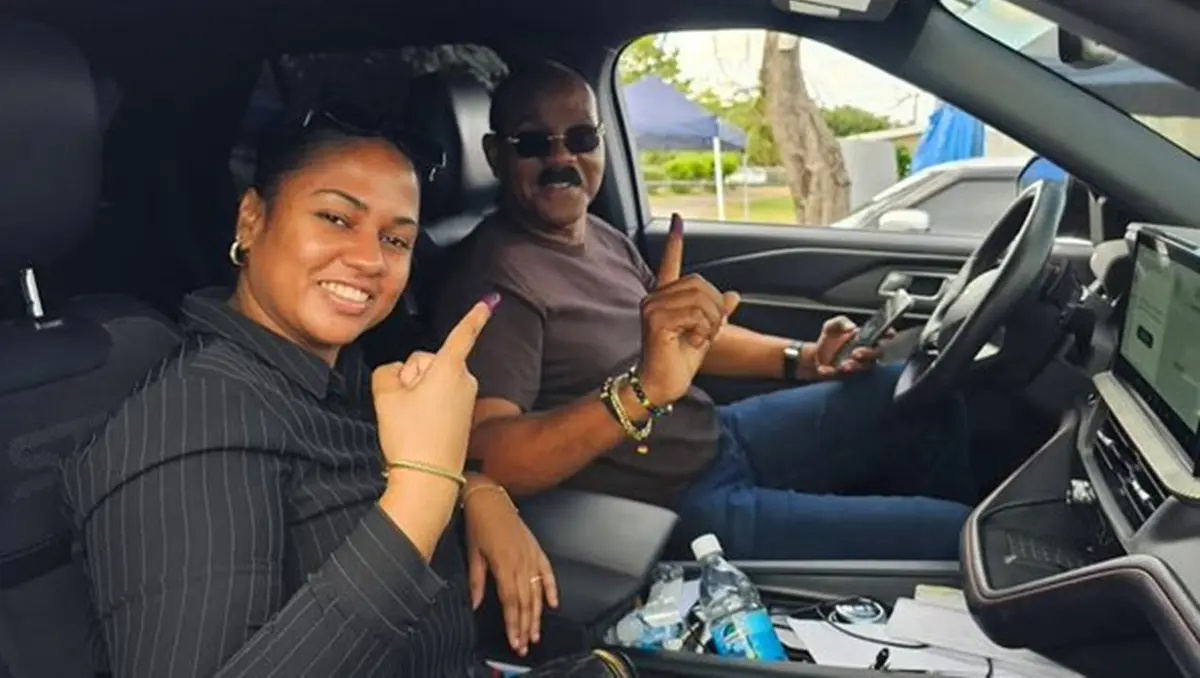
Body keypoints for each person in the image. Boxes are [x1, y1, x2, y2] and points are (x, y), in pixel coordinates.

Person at [61, 105, 559, 678]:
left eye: (397, 241)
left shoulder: (338, 378)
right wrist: (425, 488)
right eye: (336, 218)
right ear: (251, 220)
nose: (371, 259)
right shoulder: (188, 422)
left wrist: (473, 486)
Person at [434, 61, 978, 562]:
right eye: (533, 143)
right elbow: (489, 455)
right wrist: (640, 393)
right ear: (494, 155)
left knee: (917, 396)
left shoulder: (596, 234)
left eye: (580, 138)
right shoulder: (494, 281)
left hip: (719, 435)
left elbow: (679, 343)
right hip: (671, 505)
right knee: (959, 536)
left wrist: (804, 358)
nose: (561, 160)